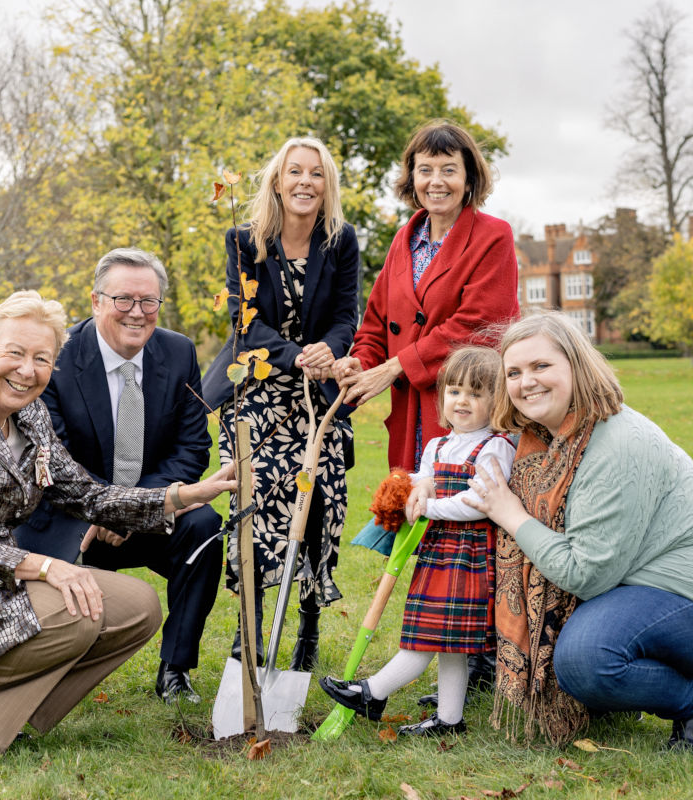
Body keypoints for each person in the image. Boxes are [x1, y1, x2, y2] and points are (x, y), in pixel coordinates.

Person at [0, 291, 237, 756]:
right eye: (15, 353)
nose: (26, 370)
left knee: (138, 609)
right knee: (79, 616)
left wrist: (180, 496)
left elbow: (85, 494)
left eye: (41, 359)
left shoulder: (30, 412)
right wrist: (46, 567)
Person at [333, 119, 519, 695]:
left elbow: (479, 324)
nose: (436, 181)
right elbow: (375, 320)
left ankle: (487, 656)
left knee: (474, 534)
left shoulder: (492, 236)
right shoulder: (404, 238)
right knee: (433, 534)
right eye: (425, 169)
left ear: (469, 177)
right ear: (411, 177)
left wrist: (395, 366)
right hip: (415, 418)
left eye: (448, 170)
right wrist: (359, 362)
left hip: (467, 411)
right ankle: (457, 649)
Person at [466, 310, 693, 749]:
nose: (526, 382)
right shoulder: (547, 437)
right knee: (587, 645)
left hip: (679, 589)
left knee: (587, 657)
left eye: (541, 366)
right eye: (514, 372)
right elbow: (464, 451)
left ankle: (688, 700)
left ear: (577, 366)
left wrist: (512, 514)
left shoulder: (614, 445)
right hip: (641, 585)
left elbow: (585, 575)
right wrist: (424, 482)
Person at [15, 249, 221, 705]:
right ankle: (50, 667)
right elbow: (52, 454)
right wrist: (103, 508)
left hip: (145, 509)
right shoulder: (58, 357)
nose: (137, 312)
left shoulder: (179, 352)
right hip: (74, 519)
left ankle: (176, 670)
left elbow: (192, 447)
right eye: (123, 299)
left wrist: (132, 507)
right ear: (95, 301)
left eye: (149, 301)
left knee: (203, 526)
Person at [203, 136, 359, 669]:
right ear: (277, 180)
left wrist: (328, 350)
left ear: (327, 185)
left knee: (317, 506)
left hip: (318, 394)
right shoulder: (244, 239)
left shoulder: (340, 240)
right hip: (259, 387)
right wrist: (297, 356)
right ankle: (248, 628)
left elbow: (346, 314)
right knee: (254, 502)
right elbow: (244, 321)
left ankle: (308, 627)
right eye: (295, 171)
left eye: (316, 174)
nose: (305, 182)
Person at [320, 346, 515, 736]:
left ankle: (372, 693)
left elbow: (481, 502)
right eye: (454, 391)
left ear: (496, 402)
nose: (462, 401)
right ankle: (449, 720)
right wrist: (416, 487)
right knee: (447, 642)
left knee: (426, 638)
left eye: (476, 394)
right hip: (437, 552)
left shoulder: (495, 446)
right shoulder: (438, 445)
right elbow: (425, 477)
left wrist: (431, 507)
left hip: (468, 556)